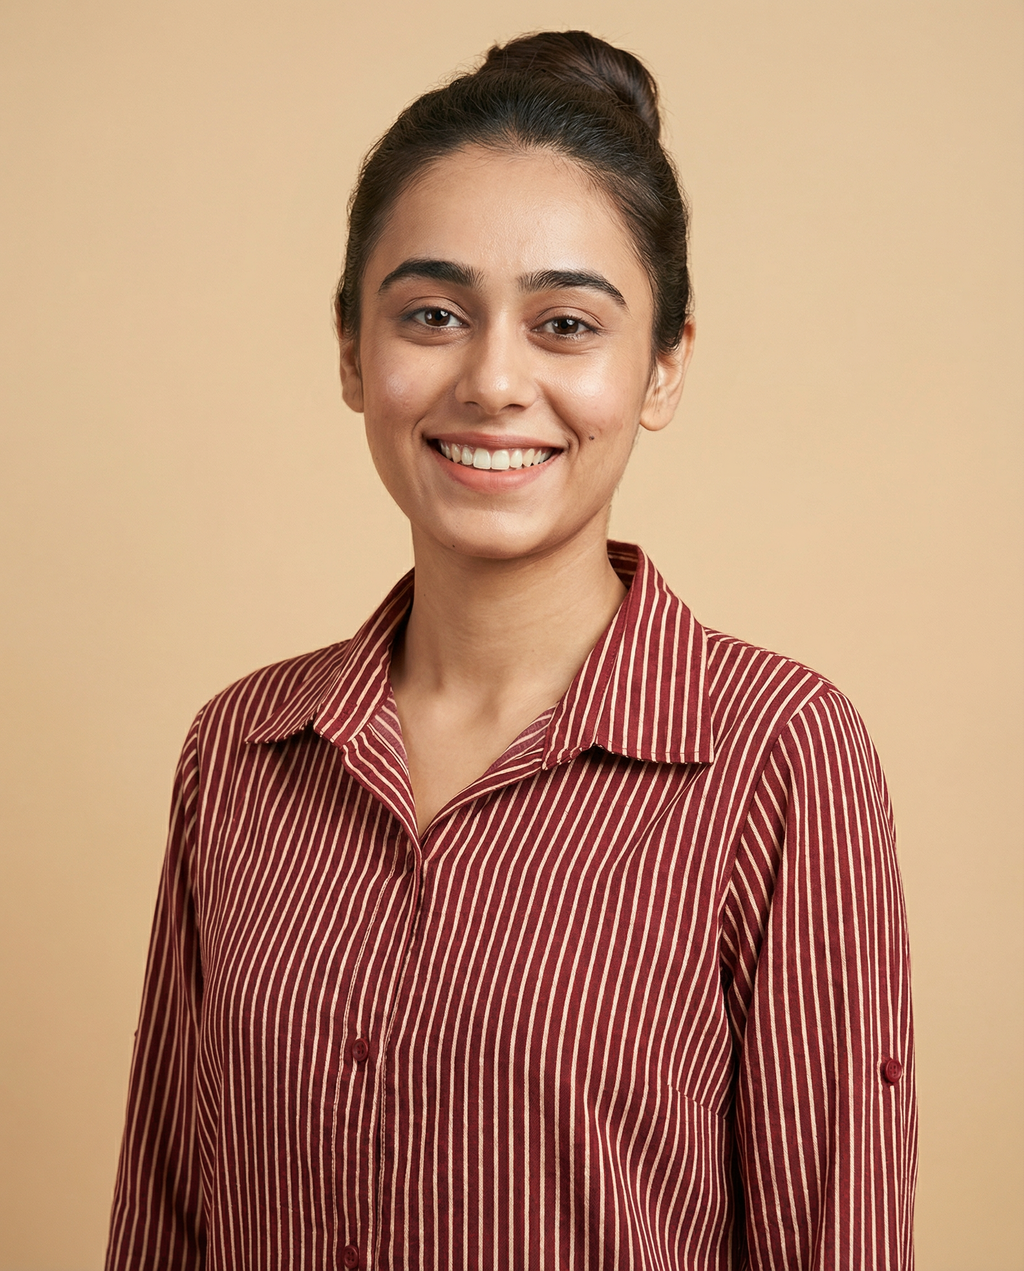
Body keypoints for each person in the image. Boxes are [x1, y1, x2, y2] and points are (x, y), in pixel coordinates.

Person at [105, 30, 916, 1270]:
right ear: (349, 349)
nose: (492, 378)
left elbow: (836, 1239)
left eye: (564, 323)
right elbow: (164, 1216)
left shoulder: (780, 759)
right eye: (432, 313)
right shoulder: (240, 752)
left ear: (664, 365)